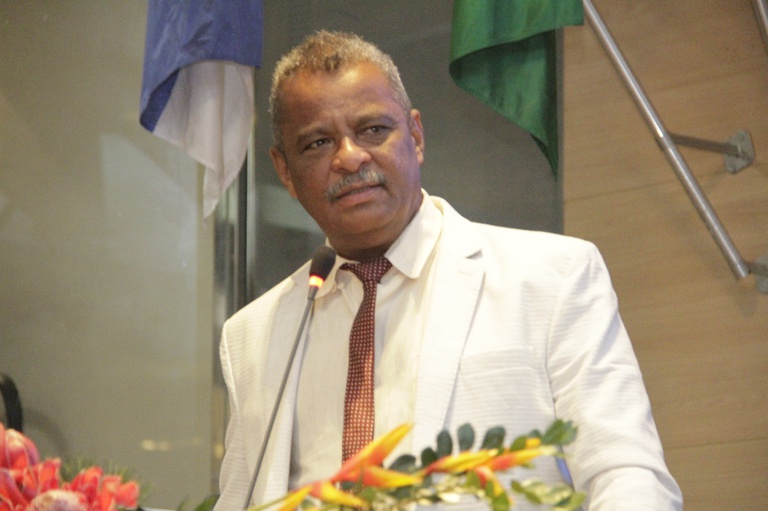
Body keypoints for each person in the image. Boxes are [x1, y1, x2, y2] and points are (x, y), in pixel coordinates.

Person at [215, 31, 683, 511]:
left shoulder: (552, 277)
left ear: (415, 137)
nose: (350, 157)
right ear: (285, 172)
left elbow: (626, 473)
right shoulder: (251, 335)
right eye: (318, 142)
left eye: (373, 130)